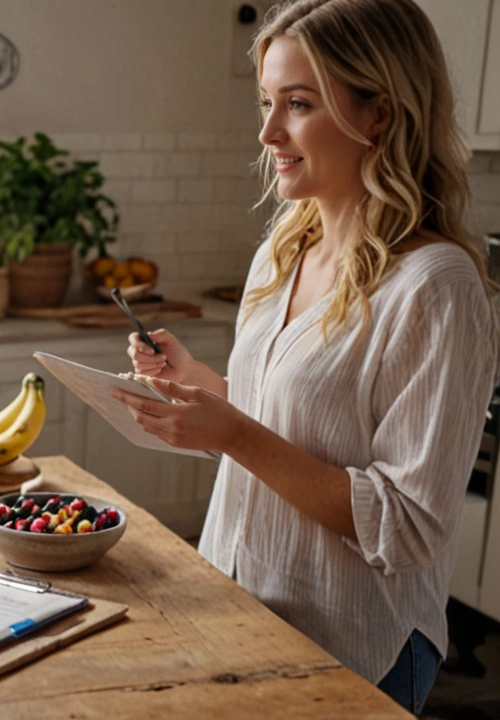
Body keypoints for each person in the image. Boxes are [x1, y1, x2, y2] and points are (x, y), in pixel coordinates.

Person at [111, 0, 498, 714]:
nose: (267, 132)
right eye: (267, 102)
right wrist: (197, 386)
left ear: (378, 114)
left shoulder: (435, 285)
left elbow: (406, 525)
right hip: (241, 604)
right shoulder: (284, 249)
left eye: (296, 103)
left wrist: (230, 433)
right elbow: (290, 423)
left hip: (352, 640)